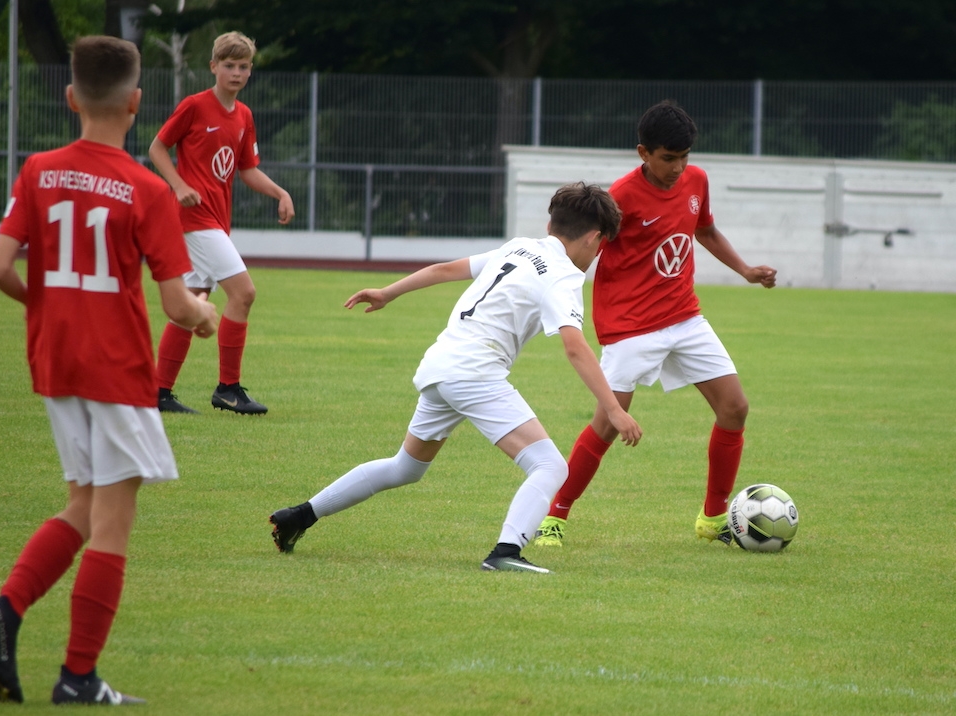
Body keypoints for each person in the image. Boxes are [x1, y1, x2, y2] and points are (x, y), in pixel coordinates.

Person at [0, 36, 218, 706]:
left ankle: (5, 611)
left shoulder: (39, 170)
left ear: (71, 98)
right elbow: (176, 303)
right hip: (116, 367)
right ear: (136, 103)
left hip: (56, 362)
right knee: (111, 522)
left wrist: (45, 309)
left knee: (83, 504)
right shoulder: (146, 188)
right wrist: (203, 316)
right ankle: (78, 676)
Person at [268, 182, 642, 573]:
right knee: (550, 466)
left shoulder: (518, 246)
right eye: (601, 246)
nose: (597, 255)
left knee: (405, 467)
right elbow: (575, 347)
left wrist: (388, 292)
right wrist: (614, 410)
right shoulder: (563, 275)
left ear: (551, 224)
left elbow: (444, 269)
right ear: (594, 238)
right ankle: (505, 553)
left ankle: (300, 515)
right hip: (474, 371)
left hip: (441, 363)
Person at [533, 101, 777, 549]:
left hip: (684, 316)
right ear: (643, 153)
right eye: (668, 158)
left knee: (735, 408)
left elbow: (705, 230)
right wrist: (555, 289)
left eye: (684, 157)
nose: (677, 167)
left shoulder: (697, 180)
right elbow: (583, 248)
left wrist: (744, 270)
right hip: (629, 326)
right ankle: (555, 515)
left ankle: (713, 517)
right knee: (607, 423)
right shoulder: (621, 197)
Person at [149, 30, 295, 416]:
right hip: (193, 218)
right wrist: (179, 185)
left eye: (243, 66)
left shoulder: (244, 115)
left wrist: (280, 193)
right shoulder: (195, 106)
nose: (236, 73)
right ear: (213, 67)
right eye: (229, 65)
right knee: (243, 293)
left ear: (250, 70)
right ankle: (228, 389)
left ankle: (158, 392)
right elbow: (157, 147)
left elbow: (247, 170)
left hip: (214, 220)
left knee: (192, 303)